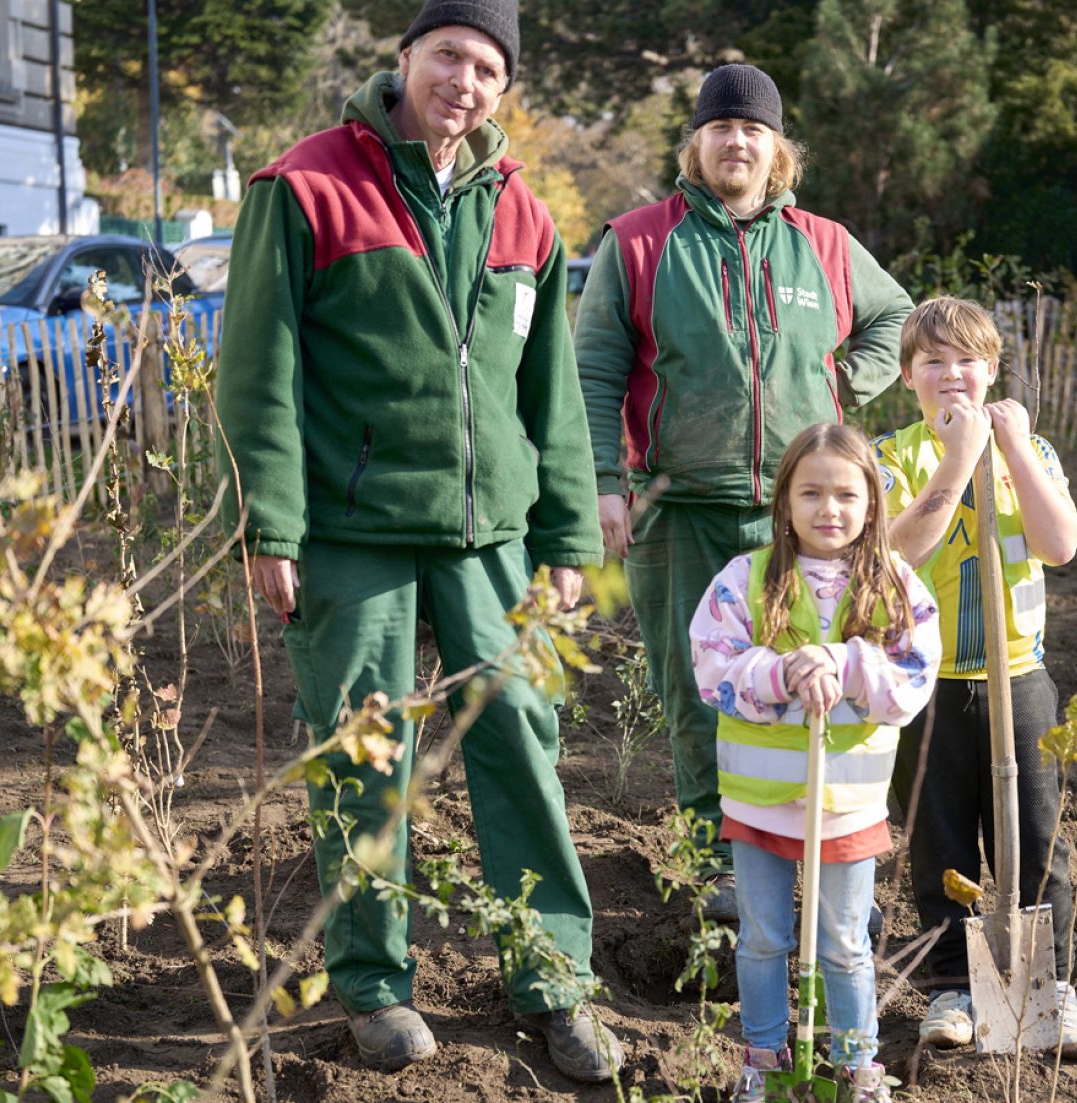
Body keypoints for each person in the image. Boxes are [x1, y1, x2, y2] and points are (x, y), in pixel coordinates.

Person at [215, 0, 622, 1081]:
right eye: (449, 54)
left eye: (489, 68)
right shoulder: (302, 186)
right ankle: (374, 984)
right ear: (403, 58)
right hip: (352, 531)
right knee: (364, 755)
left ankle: (552, 973)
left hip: (491, 537)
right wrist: (272, 523)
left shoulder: (524, 213)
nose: (466, 81)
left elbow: (554, 400)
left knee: (522, 745)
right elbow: (259, 371)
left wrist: (569, 537)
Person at [575, 63, 914, 916]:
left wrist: (838, 388)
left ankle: (827, 861)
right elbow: (593, 369)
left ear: (777, 150)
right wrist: (604, 484)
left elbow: (899, 321)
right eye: (722, 127)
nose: (737, 141)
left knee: (817, 680)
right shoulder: (640, 241)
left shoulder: (826, 246)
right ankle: (712, 864)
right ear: (697, 143)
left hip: (802, 520)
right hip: (678, 506)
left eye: (754, 129)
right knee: (703, 690)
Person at [874, 297, 1077, 1060]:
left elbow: (1060, 542)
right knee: (939, 841)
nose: (950, 374)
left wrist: (1010, 448)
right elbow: (895, 552)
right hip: (924, 681)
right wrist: (958, 456)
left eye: (966, 359)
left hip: (1019, 676)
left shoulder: (1027, 447)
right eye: (932, 361)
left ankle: (1051, 988)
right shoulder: (893, 456)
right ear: (908, 376)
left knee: (1037, 839)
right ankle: (952, 987)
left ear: (992, 369)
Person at [689, 424, 940, 1102]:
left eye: (845, 494)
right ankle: (765, 1057)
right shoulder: (746, 578)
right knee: (765, 936)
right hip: (760, 799)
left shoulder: (895, 586)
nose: (829, 508)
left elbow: (914, 679)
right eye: (811, 492)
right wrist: (779, 672)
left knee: (845, 940)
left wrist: (846, 659)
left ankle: (858, 1064)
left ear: (871, 503)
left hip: (848, 805)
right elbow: (712, 665)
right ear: (785, 501)